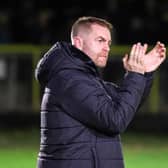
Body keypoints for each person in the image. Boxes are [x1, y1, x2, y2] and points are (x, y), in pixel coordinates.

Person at [35, 16, 166, 168]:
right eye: (100, 40)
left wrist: (144, 73)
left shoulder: (87, 79)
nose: (107, 48)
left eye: (109, 43)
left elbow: (127, 105)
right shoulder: (70, 80)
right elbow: (115, 120)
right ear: (78, 43)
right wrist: (135, 75)